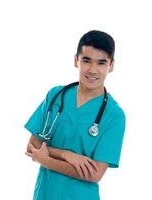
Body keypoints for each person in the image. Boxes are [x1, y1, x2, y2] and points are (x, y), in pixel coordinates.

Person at [24, 30, 126, 200]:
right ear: (76, 60)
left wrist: (46, 159)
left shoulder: (114, 116)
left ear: (111, 65)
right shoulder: (56, 96)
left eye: (101, 63)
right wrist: (67, 155)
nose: (93, 70)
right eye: (87, 60)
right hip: (44, 195)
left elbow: (94, 173)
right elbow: (32, 147)